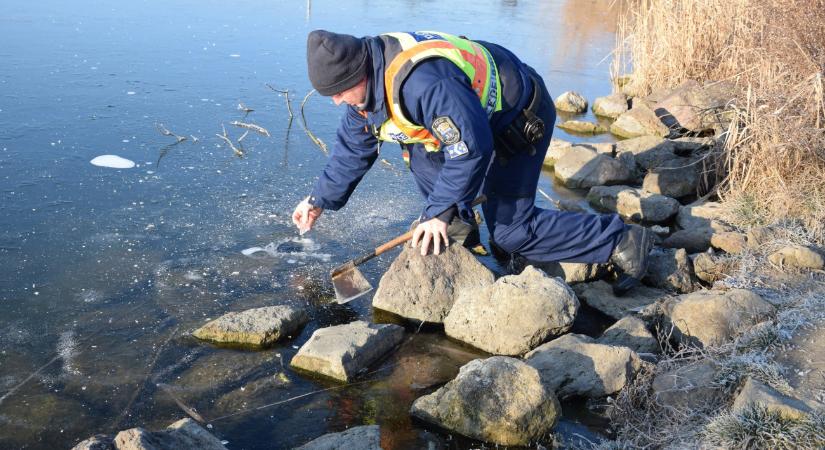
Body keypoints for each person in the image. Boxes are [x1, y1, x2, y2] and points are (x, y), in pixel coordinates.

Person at [291, 30, 653, 294]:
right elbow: (353, 150)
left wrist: (437, 212)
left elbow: (471, 147)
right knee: (423, 156)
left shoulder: (424, 84)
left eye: (339, 93)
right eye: (331, 95)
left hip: (518, 116)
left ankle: (620, 239)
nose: (337, 102)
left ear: (360, 75)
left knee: (512, 232)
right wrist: (319, 200)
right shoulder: (364, 93)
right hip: (470, 119)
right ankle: (461, 231)